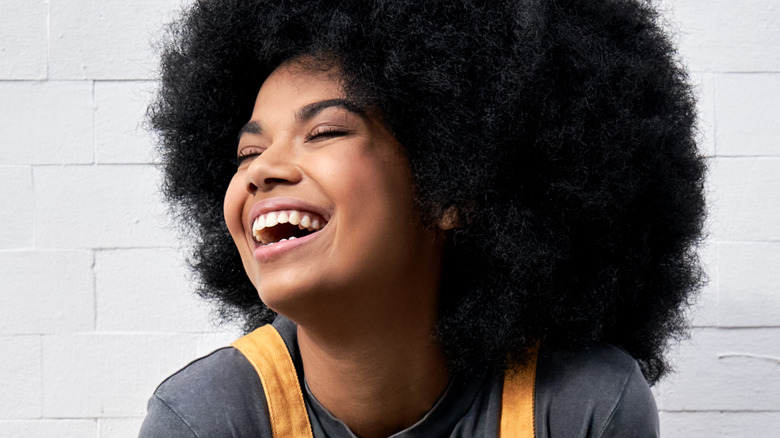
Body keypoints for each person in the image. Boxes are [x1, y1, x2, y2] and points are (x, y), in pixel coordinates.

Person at [140, 0, 706, 436]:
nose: (262, 172)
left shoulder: (582, 405)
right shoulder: (204, 419)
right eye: (248, 153)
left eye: (326, 132)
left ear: (451, 186)